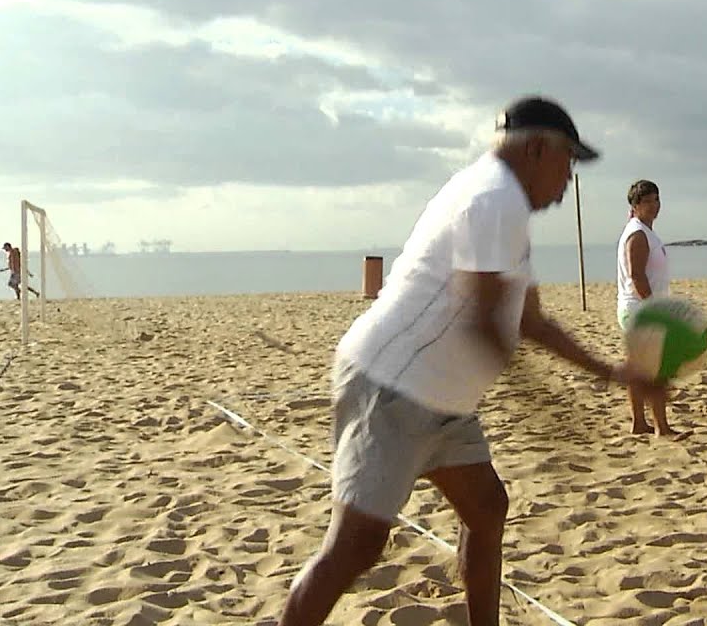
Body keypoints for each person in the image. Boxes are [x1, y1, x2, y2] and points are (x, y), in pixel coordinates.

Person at [276, 96, 667, 626]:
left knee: (486, 509)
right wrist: (547, 407)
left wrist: (615, 373)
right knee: (356, 545)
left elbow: (529, 319)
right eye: (568, 161)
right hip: (391, 387)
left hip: (443, 400)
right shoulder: (492, 198)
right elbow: (484, 321)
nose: (568, 180)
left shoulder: (505, 205)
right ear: (536, 149)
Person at [615, 179, 681, 437]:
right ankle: (661, 427)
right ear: (635, 205)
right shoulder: (638, 234)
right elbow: (637, 276)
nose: (654, 205)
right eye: (647, 201)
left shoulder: (643, 230)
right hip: (639, 310)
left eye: (656, 200)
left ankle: (640, 423)